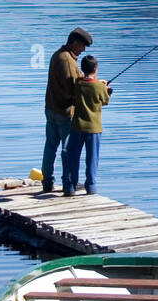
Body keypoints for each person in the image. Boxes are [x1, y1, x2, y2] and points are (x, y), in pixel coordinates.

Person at [42, 27, 93, 192]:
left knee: (50, 146)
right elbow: (73, 88)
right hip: (64, 112)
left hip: (51, 108)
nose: (83, 50)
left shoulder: (58, 54)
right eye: (82, 46)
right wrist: (93, 87)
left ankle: (47, 181)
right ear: (75, 43)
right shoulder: (67, 60)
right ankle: (68, 183)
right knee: (67, 149)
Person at [62, 55, 112, 196]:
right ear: (95, 69)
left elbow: (82, 83)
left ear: (82, 69)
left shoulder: (78, 84)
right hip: (94, 129)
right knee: (92, 159)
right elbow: (105, 101)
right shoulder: (99, 87)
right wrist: (107, 89)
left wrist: (98, 82)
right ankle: (91, 187)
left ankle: (70, 187)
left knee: (73, 157)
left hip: (77, 127)